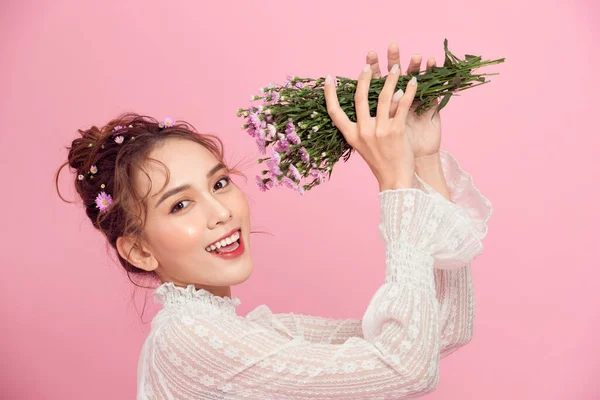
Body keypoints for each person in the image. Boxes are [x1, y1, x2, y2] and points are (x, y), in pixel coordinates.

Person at [55, 45, 493, 399]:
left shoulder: (253, 334)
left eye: (221, 183)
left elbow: (440, 332)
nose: (222, 212)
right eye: (180, 206)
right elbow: (404, 370)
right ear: (139, 249)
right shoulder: (189, 339)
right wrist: (395, 184)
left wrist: (421, 159)